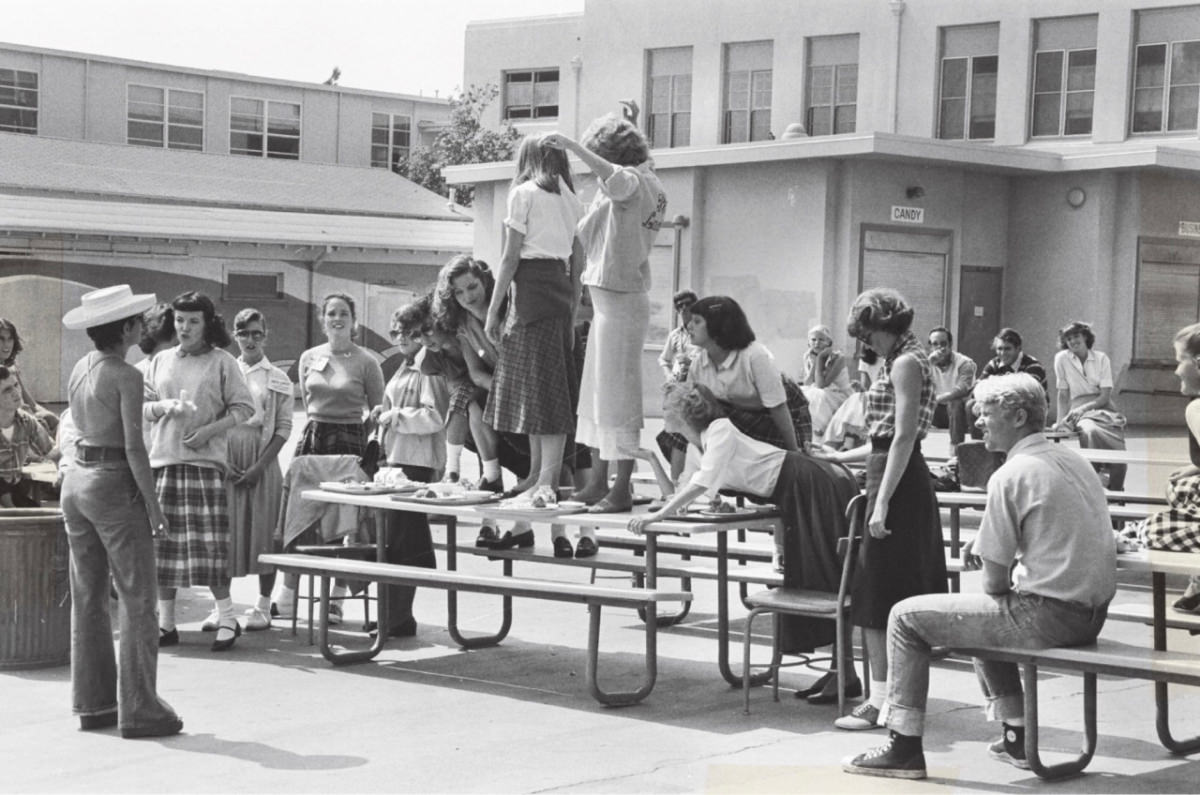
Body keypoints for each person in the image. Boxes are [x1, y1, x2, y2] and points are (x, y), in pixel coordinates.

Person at [843, 373, 1116, 780]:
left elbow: (993, 584)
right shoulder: (1070, 459)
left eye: (987, 415)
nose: (978, 423)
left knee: (905, 616)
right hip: (1090, 613)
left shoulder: (1010, 473)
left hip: (1051, 616)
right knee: (974, 617)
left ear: (1019, 417)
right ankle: (1016, 736)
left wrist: (994, 560)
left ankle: (902, 745)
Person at [630, 382, 858, 653]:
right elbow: (682, 493)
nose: (662, 412)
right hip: (791, 492)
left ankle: (842, 674)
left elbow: (700, 485)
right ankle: (836, 672)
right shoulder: (697, 447)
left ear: (682, 414)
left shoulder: (720, 430)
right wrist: (652, 461)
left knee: (825, 569)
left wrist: (657, 517)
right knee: (810, 571)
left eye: (667, 408)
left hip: (808, 482)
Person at [813, 288, 947, 727]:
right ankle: (889, 698)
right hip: (886, 470)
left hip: (898, 484)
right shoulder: (896, 360)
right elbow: (882, 441)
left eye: (869, 333)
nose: (866, 343)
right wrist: (837, 457)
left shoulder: (907, 362)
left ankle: (880, 701)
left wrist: (882, 502)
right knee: (880, 594)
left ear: (885, 327)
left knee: (878, 594)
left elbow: (904, 436)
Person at [60, 285, 182, 738]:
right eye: (136, 319)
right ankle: (140, 707)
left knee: (89, 597)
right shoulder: (126, 375)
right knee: (138, 600)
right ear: (127, 327)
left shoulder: (80, 367)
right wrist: (154, 507)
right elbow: (134, 448)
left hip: (76, 481)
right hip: (112, 485)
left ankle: (93, 704)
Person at [544, 118, 668, 515]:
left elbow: (617, 179)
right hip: (609, 304)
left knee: (618, 397)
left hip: (621, 301)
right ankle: (598, 481)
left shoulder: (633, 182)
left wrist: (572, 146)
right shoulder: (642, 180)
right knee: (597, 395)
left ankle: (621, 487)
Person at [483, 135, 587, 550]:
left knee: (535, 384)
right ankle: (539, 475)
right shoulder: (572, 199)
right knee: (548, 382)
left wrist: (494, 309)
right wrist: (574, 302)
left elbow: (509, 257)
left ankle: (544, 478)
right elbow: (577, 258)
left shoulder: (522, 194)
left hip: (529, 289)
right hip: (559, 288)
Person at [144, 291, 254, 652]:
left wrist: (209, 431)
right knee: (164, 548)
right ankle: (167, 624)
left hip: (204, 466)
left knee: (209, 548)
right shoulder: (159, 361)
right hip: (163, 463)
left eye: (193, 321)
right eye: (179, 320)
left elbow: (244, 407)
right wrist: (161, 407)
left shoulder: (223, 361)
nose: (185, 327)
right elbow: (142, 406)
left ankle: (227, 618)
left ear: (208, 324)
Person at [278, 293, 385, 621]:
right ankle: (287, 594)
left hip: (350, 441)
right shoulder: (309, 356)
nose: (337, 319)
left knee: (344, 522)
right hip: (313, 439)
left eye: (344, 314)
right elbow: (308, 401)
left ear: (354, 321)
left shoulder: (367, 361)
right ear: (323, 319)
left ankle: (336, 599)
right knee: (300, 513)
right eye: (331, 313)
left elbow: (379, 412)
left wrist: (366, 452)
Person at [370, 302, 446, 636]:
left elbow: (436, 417)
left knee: (404, 540)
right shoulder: (404, 367)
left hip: (416, 461)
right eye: (395, 331)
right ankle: (395, 613)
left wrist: (395, 417)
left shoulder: (428, 368)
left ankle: (398, 616)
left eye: (406, 332)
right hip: (396, 457)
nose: (400, 338)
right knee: (392, 539)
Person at [217, 308, 293, 633]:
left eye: (256, 333)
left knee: (263, 532)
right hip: (225, 457)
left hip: (261, 458)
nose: (250, 340)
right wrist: (221, 459)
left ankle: (263, 606)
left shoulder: (277, 377)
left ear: (266, 335)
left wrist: (260, 466)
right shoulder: (221, 371)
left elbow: (284, 428)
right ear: (235, 335)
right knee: (222, 533)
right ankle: (224, 608)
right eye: (244, 333)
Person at [683, 295, 810, 452]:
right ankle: (681, 477)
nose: (688, 326)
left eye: (697, 321)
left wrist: (794, 450)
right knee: (678, 432)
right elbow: (687, 407)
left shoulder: (755, 356)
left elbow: (778, 407)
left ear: (717, 326)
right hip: (734, 413)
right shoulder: (698, 363)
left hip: (777, 414)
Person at [1138, 322, 1200, 612]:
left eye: (1180, 361)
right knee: (1180, 485)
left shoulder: (1196, 408)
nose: (1176, 371)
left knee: (1149, 531)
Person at [1053, 320, 1127, 491]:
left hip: (1104, 408)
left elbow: (1105, 396)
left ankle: (1116, 489)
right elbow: (1063, 394)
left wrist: (1083, 409)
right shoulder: (1061, 359)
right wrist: (1060, 422)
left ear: (1085, 337)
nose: (1072, 341)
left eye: (1076, 336)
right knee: (1089, 430)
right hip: (1079, 407)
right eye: (1068, 339)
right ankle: (1095, 478)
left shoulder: (1101, 358)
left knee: (1119, 452)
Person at [966, 327, 1047, 437]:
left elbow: (1025, 394)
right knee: (972, 404)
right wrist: (979, 400)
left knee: (1004, 406)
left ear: (1018, 349)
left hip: (1029, 409)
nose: (1002, 353)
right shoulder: (994, 364)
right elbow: (977, 387)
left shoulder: (1033, 365)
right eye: (999, 349)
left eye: (1007, 349)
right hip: (1004, 403)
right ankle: (980, 445)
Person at [655, 289, 700, 482]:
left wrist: (693, 365)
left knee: (683, 438)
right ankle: (677, 482)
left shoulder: (701, 330)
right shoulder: (675, 335)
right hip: (678, 390)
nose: (683, 309)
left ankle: (680, 483)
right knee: (672, 437)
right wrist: (669, 376)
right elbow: (664, 359)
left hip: (698, 391)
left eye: (687, 305)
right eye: (679, 306)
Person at [0, 364, 53, 507]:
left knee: (43, 521)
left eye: (16, 385)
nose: (16, 393)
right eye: (7, 390)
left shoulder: (26, 422)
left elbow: (51, 451)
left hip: (13, 494)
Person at [0, 317, 59, 433]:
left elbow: (31, 402)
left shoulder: (12, 368)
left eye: (10, 339)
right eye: (1, 339)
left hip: (26, 418)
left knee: (55, 422)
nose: (6, 344)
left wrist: (49, 416)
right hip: (9, 423)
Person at [823, 348, 882, 451]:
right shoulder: (865, 359)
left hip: (885, 395)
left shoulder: (891, 360)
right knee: (856, 398)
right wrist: (859, 385)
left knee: (860, 401)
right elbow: (866, 387)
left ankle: (856, 441)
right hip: (871, 394)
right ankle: (846, 442)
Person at [800, 324, 852, 438]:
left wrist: (819, 359)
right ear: (808, 343)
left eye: (821, 340)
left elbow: (821, 384)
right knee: (802, 392)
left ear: (828, 342)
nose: (817, 343)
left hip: (839, 393)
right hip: (822, 390)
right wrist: (814, 362)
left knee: (818, 395)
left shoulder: (838, 358)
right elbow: (808, 382)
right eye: (813, 340)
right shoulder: (808, 356)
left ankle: (820, 429)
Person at [927, 326, 976, 447]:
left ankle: (955, 449)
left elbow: (962, 388)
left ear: (950, 345)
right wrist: (928, 363)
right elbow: (911, 384)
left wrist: (938, 399)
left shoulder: (965, 363)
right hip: (936, 411)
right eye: (935, 344)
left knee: (955, 402)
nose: (939, 348)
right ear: (930, 346)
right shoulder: (927, 362)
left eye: (943, 344)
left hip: (959, 413)